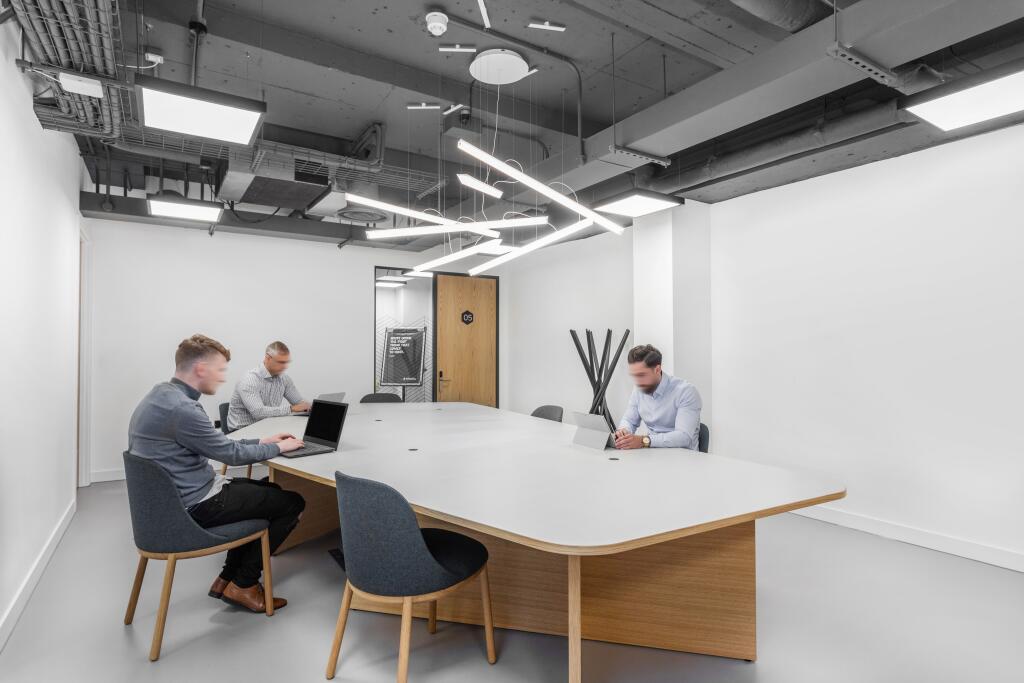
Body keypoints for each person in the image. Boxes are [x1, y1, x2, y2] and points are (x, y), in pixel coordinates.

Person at [128, 334, 306, 613]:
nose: (223, 378)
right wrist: (279, 448)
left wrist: (263, 441)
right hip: (197, 504)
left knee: (270, 488)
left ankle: (226, 578)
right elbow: (230, 455)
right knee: (292, 503)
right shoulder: (183, 409)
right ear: (201, 369)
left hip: (175, 500)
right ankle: (244, 584)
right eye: (220, 370)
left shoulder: (161, 396)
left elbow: (219, 444)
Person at [613, 344, 702, 450]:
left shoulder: (686, 392)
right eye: (634, 376)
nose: (637, 381)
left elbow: (683, 437)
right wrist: (624, 432)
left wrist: (643, 441)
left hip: (682, 455)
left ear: (657, 369)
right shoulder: (639, 389)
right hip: (652, 452)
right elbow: (629, 420)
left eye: (641, 375)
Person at [227, 341, 311, 431]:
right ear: (268, 358)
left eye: (286, 362)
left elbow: (299, 403)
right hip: (243, 430)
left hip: (268, 426)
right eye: (281, 362)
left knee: (299, 435)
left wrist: (311, 408)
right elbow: (258, 412)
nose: (285, 367)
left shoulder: (284, 379)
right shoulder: (249, 380)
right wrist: (291, 409)